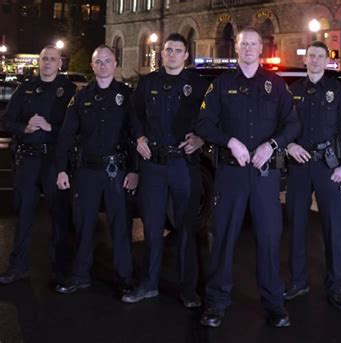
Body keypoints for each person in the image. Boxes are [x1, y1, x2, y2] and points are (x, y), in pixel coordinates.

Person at [196, 27, 300, 328]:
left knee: (269, 239)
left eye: (254, 44)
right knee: (224, 237)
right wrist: (229, 141)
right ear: (236, 48)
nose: (249, 48)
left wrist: (272, 145)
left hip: (265, 176)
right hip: (231, 173)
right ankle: (215, 303)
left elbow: (293, 125)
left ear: (261, 49)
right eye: (244, 44)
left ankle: (274, 304)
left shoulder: (276, 84)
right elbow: (203, 123)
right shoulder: (221, 84)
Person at [121, 33, 209, 307]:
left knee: (185, 228)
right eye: (167, 50)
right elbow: (133, 116)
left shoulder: (198, 85)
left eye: (177, 50)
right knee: (152, 227)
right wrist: (138, 138)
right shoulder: (147, 84)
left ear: (186, 55)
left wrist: (201, 139)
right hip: (154, 165)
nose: (171, 54)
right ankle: (148, 284)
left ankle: (188, 289)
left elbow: (212, 119)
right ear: (162, 54)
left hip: (183, 163)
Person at [283, 41, 341, 310]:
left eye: (320, 56)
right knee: (296, 226)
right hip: (299, 167)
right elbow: (280, 127)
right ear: (305, 60)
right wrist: (289, 145)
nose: (315, 60)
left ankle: (337, 286)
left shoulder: (338, 92)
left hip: (330, 169)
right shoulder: (291, 92)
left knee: (333, 229)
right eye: (311, 56)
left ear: (326, 61)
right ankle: (298, 281)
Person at [55, 45, 137, 294]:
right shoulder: (80, 97)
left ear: (115, 64)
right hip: (87, 172)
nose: (102, 65)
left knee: (120, 226)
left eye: (107, 61)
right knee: (83, 224)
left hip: (117, 171)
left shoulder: (126, 95)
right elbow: (66, 135)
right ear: (92, 66)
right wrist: (61, 169)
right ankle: (80, 275)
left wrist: (134, 171)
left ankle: (125, 278)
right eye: (97, 61)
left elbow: (135, 134)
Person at [0, 45, 76, 284]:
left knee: (58, 214)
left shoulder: (69, 89)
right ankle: (17, 266)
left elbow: (76, 129)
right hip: (28, 159)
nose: (47, 63)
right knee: (23, 213)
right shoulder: (25, 88)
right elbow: (7, 120)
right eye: (44, 59)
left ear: (60, 63)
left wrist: (49, 127)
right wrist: (25, 127)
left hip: (53, 160)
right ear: (39, 62)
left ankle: (60, 269)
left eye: (52, 59)